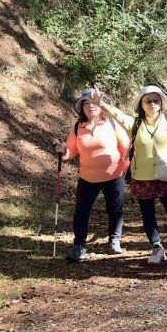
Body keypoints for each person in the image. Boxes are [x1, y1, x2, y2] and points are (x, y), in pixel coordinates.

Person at [94, 85, 167, 264]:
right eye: (148, 101)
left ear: (162, 103)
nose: (152, 104)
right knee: (148, 215)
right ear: (142, 104)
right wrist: (101, 104)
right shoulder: (135, 123)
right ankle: (156, 248)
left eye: (156, 100)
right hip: (142, 176)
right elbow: (117, 114)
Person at [55, 90, 131, 261]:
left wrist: (126, 166)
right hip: (87, 177)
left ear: (101, 105)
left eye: (93, 102)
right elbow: (70, 151)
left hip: (114, 175)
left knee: (115, 210)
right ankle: (79, 245)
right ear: (82, 108)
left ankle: (114, 241)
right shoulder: (78, 127)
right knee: (82, 212)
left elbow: (125, 146)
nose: (90, 106)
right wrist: (62, 151)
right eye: (86, 103)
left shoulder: (112, 123)